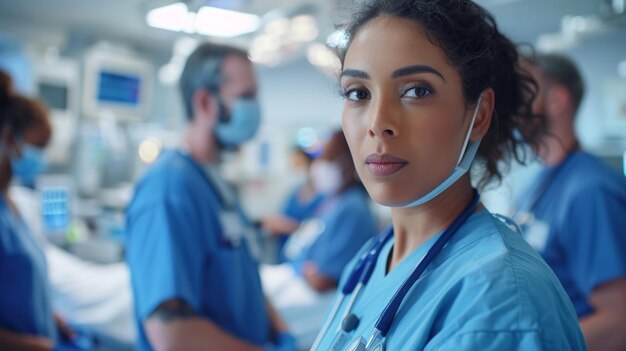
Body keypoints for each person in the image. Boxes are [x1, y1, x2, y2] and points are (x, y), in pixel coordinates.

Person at [310, 1, 586, 350]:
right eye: (358, 93)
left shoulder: (500, 301)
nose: (378, 124)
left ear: (480, 115)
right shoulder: (370, 260)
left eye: (417, 91)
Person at [125, 42, 295, 351]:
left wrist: (282, 333)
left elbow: (245, 281)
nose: (256, 108)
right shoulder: (169, 189)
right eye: (245, 97)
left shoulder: (215, 184)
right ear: (204, 102)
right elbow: (171, 335)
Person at [514, 53, 626, 350]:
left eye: (523, 93)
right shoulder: (538, 184)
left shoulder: (591, 192)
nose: (512, 107)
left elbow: (618, 322)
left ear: (557, 100)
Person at [260, 130, 377, 349]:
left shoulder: (352, 208)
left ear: (349, 164)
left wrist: (306, 268)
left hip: (314, 298)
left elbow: (322, 280)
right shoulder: (333, 202)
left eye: (328, 159)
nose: (320, 167)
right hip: (295, 277)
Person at [0, 70, 77, 350]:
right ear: (10, 138)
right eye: (38, 147)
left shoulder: (13, 208)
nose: (41, 159)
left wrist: (48, 317)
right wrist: (30, 345)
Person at [261, 146, 324, 263]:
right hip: (284, 257)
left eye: (299, 164)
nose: (296, 168)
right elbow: (283, 216)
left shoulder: (323, 198)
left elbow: (320, 230)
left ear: (310, 165)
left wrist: (291, 227)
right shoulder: (294, 193)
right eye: (294, 164)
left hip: (307, 261)